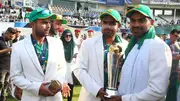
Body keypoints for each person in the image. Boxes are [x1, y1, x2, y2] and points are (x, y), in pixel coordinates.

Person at [108, 4, 172, 101]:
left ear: (152, 22)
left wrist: (124, 99)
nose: (136, 24)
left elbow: (157, 91)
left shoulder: (159, 46)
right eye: (133, 21)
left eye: (141, 20)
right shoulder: (133, 46)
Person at [10, 8, 67, 101]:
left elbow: (62, 67)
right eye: (44, 22)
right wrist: (37, 88)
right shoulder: (18, 47)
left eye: (49, 22)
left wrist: (58, 82)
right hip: (31, 97)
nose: (48, 26)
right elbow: (15, 76)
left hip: (54, 97)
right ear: (32, 23)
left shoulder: (57, 43)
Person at [73, 9, 128, 101]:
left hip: (117, 96)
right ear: (101, 23)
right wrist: (96, 90)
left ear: (119, 26)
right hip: (92, 96)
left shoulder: (126, 46)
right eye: (105, 22)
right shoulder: (88, 44)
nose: (108, 26)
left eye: (112, 23)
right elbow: (79, 69)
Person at [61, 29, 78, 101]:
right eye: (66, 36)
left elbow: (76, 55)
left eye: (70, 36)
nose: (68, 37)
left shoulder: (74, 46)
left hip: (71, 69)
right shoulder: (60, 45)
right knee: (60, 87)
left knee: (71, 86)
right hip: (62, 69)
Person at [0, 27, 16, 101]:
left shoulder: (10, 41)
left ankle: (3, 97)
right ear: (6, 33)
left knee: (7, 82)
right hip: (1, 66)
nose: (11, 38)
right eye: (10, 36)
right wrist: (8, 49)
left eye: (12, 37)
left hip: (9, 65)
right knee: (1, 82)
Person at [166, 29, 180, 101]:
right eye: (175, 36)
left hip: (175, 71)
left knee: (173, 89)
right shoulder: (166, 44)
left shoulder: (178, 44)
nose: (176, 37)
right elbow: (164, 57)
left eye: (178, 36)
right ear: (171, 35)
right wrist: (175, 57)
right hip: (167, 71)